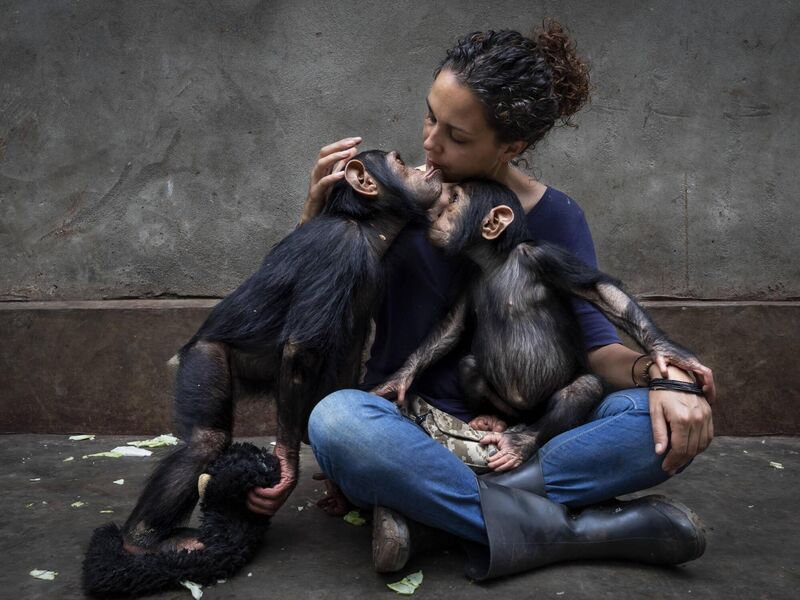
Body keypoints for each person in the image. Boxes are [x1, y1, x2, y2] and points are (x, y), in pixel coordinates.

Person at [248, 22, 715, 580]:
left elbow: (597, 354)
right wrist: (314, 224)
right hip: (407, 435)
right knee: (338, 421)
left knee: (652, 422)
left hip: (525, 441)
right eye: (430, 116)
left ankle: (435, 518)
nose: (429, 143)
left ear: (510, 146)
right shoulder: (398, 199)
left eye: (457, 136)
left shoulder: (557, 218)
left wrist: (666, 380)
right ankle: (569, 530)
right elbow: (309, 326)